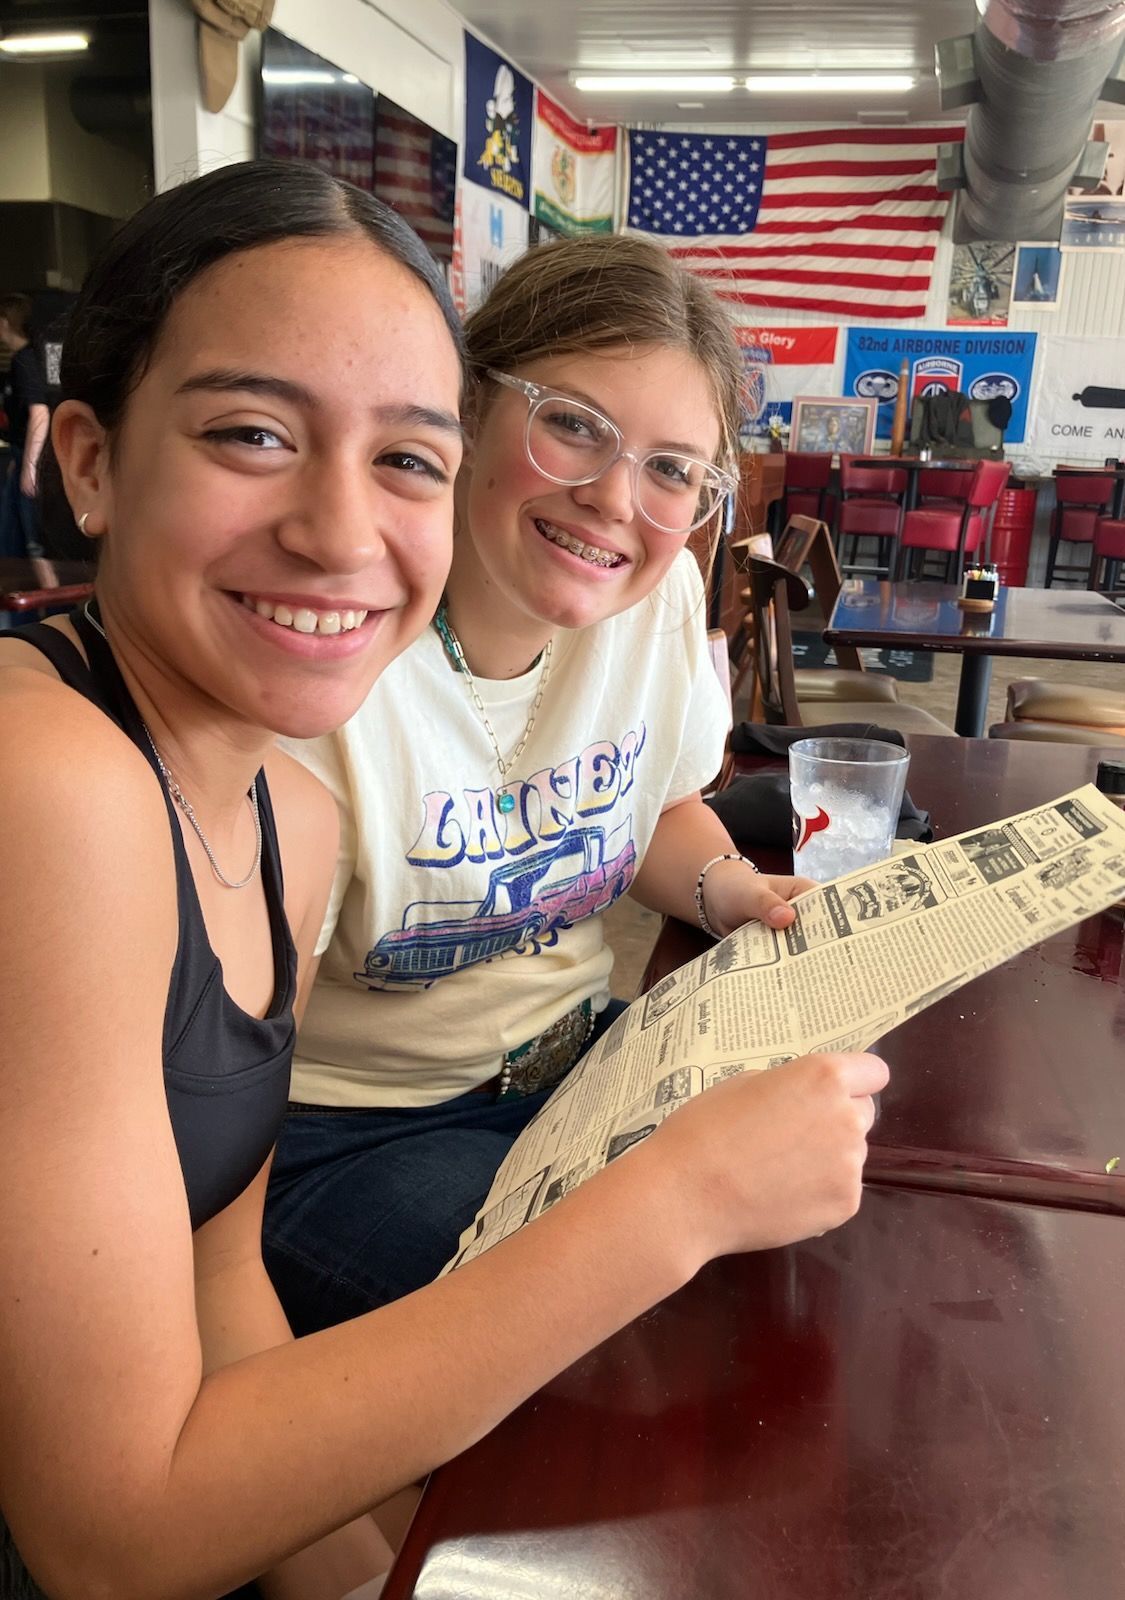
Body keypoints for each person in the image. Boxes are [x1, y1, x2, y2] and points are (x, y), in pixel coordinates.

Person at [0, 159, 888, 1600]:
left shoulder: (276, 811)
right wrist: (679, 1198)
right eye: (250, 433)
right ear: (87, 462)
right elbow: (107, 1538)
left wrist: (370, 1581)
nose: (344, 534)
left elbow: (226, 1298)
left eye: (401, 459)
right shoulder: (51, 780)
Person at [263, 235, 819, 1330]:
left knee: (803, 1238)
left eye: (672, 469)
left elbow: (658, 804)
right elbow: (209, 1071)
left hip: (585, 1069)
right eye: (574, 424)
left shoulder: (649, 604)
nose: (617, 500)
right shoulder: (328, 646)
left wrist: (728, 890)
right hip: (356, 1133)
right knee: (628, 1329)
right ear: (465, 407)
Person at [0, 293, 49, 558]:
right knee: (12, 538)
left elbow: (40, 413)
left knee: (32, 544)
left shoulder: (25, 361)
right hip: (21, 454)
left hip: (32, 459)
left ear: (6, 322)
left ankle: (53, 599)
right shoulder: (23, 359)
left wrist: (30, 466)